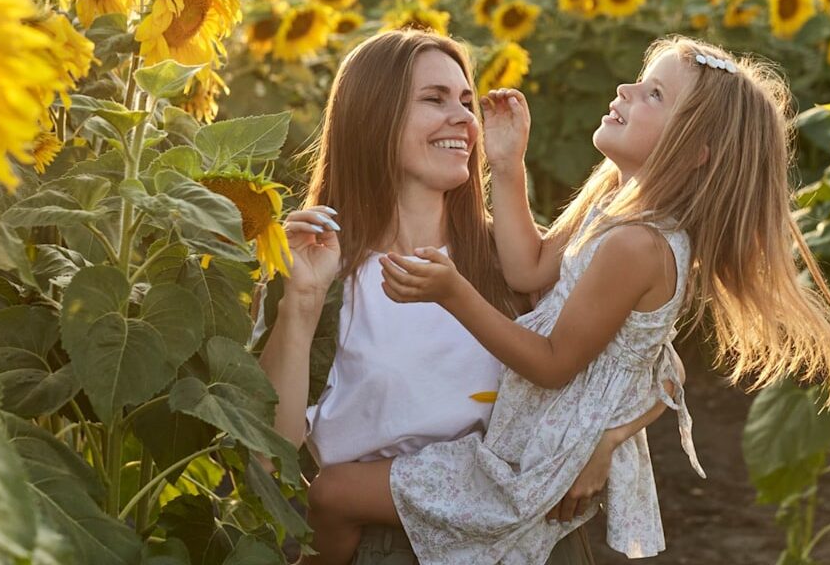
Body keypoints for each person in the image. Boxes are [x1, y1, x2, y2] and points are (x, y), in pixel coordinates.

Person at [303, 35, 830, 564]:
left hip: (530, 463)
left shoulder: (637, 245)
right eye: (640, 81)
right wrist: (505, 163)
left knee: (332, 495)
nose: (625, 91)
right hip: (533, 446)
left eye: (654, 94)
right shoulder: (612, 209)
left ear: (694, 150)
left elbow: (554, 365)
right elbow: (527, 266)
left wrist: (454, 292)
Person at [256, 28, 657, 564]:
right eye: (434, 99)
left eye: (467, 102)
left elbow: (652, 362)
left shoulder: (513, 260)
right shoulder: (318, 267)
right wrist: (301, 302)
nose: (464, 119)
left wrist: (606, 439)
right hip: (376, 543)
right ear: (373, 117)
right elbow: (268, 461)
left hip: (519, 545)